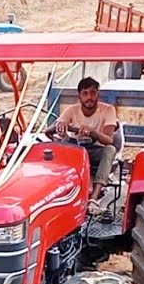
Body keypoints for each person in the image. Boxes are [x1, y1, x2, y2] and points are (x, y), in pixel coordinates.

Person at [45, 76, 119, 206]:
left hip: (96, 151)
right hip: (76, 151)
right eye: (85, 94)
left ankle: (94, 197)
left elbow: (109, 139)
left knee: (110, 150)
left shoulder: (108, 110)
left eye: (92, 93)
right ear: (79, 97)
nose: (89, 97)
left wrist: (93, 132)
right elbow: (48, 131)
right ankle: (56, 191)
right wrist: (59, 125)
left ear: (98, 94)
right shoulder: (72, 110)